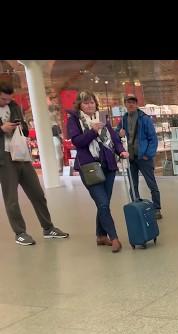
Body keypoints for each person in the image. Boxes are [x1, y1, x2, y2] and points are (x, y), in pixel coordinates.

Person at [0, 82, 68, 246]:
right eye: (2, 99)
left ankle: (48, 228)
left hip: (21, 154)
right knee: (12, 199)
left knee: (37, 193)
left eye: (8, 99)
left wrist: (19, 126)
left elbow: (23, 123)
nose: (6, 102)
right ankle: (20, 233)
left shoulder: (14, 105)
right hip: (4, 157)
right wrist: (2, 129)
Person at [67, 91, 128, 253]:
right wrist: (92, 131)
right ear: (79, 105)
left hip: (108, 165)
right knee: (102, 203)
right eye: (86, 103)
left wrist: (121, 150)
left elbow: (114, 138)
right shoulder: (74, 120)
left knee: (104, 204)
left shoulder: (102, 117)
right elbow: (77, 142)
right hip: (89, 167)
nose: (89, 105)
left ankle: (100, 236)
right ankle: (114, 237)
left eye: (92, 102)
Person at [116, 94, 162, 219]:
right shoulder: (124, 119)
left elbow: (153, 139)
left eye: (133, 102)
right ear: (125, 104)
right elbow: (116, 135)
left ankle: (157, 209)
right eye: (128, 102)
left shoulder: (145, 119)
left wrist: (148, 155)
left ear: (136, 104)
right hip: (130, 158)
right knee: (133, 184)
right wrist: (119, 134)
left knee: (151, 184)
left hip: (144, 157)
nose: (130, 104)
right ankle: (136, 206)